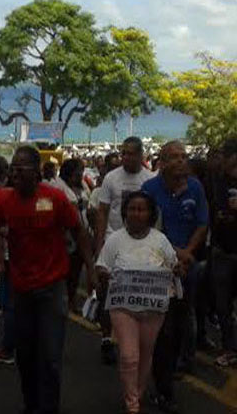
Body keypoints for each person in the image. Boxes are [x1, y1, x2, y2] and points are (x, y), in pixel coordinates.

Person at [0, 146, 93, 414]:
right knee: (25, 357)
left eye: (20, 168)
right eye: (12, 168)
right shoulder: (3, 200)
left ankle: (48, 408)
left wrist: (91, 269)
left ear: (36, 172)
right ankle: (31, 404)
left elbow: (79, 231)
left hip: (51, 290)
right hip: (20, 290)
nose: (14, 173)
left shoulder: (56, 198)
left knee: (49, 358)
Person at [96, 191, 178, 414]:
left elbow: (174, 265)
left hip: (153, 309)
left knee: (145, 353)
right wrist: (104, 275)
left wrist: (177, 269)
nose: (136, 213)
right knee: (128, 355)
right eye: (132, 209)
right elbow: (102, 265)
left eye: (141, 209)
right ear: (125, 212)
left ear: (151, 213)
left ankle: (138, 393)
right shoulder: (115, 239)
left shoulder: (160, 240)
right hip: (123, 307)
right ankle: (131, 402)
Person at [141, 141, 208, 413]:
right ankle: (164, 389)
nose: (181, 161)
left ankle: (170, 374)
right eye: (175, 157)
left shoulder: (195, 187)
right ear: (163, 162)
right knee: (163, 331)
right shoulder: (149, 190)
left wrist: (187, 253)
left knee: (180, 325)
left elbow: (202, 223)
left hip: (187, 269)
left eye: (184, 156)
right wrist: (175, 254)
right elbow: (145, 228)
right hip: (158, 269)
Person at [96, 137, 155, 365]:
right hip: (113, 241)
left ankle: (131, 340)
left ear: (141, 155)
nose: (127, 158)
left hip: (140, 246)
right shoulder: (111, 178)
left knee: (133, 295)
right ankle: (106, 338)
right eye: (124, 153)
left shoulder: (149, 180)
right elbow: (102, 212)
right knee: (107, 293)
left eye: (131, 154)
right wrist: (100, 246)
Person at [51, 159, 93, 311]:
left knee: (76, 269)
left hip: (82, 232)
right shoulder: (57, 186)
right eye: (77, 172)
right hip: (65, 235)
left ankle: (71, 298)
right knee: (63, 271)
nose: (80, 175)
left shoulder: (82, 185)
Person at [211, 138, 237, 367]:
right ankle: (230, 348)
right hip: (222, 252)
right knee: (222, 306)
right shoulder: (217, 182)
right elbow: (216, 214)